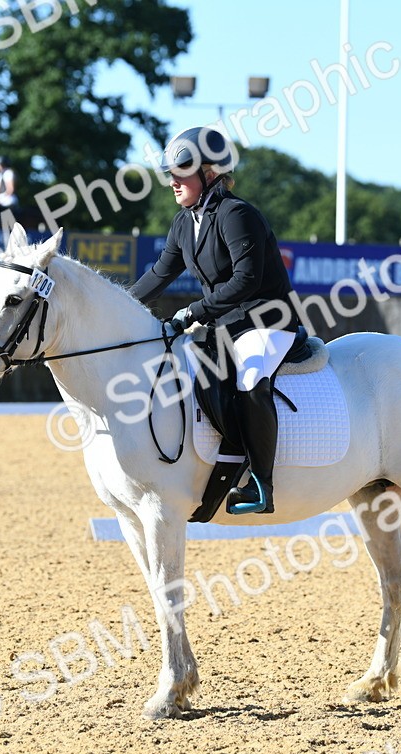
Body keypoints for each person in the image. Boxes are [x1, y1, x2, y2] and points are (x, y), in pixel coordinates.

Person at [129, 127, 300, 515]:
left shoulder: (237, 214)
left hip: (266, 322)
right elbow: (157, 275)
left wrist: (193, 312)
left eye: (182, 171)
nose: (173, 181)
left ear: (210, 173)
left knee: (251, 378)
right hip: (226, 326)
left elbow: (246, 280)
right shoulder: (183, 223)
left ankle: (262, 485)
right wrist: (119, 305)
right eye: (170, 172)